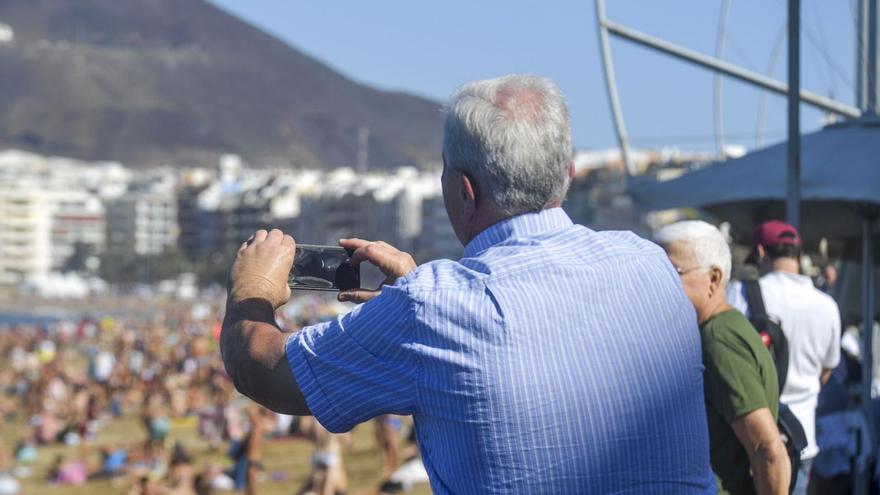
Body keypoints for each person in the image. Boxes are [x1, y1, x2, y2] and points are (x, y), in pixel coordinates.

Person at [221, 74, 715, 493]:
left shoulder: (434, 308)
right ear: (565, 173)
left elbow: (264, 371)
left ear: (463, 189)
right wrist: (419, 296)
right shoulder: (649, 264)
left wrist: (253, 291)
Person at [656, 220, 790, 494]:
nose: (657, 286)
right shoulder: (721, 329)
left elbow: (768, 449)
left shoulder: (719, 338)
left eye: (671, 273)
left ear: (714, 278)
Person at [728, 220, 841, 495]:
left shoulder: (741, 295)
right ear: (799, 255)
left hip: (750, 437)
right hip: (802, 437)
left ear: (761, 253)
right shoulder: (827, 305)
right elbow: (827, 370)